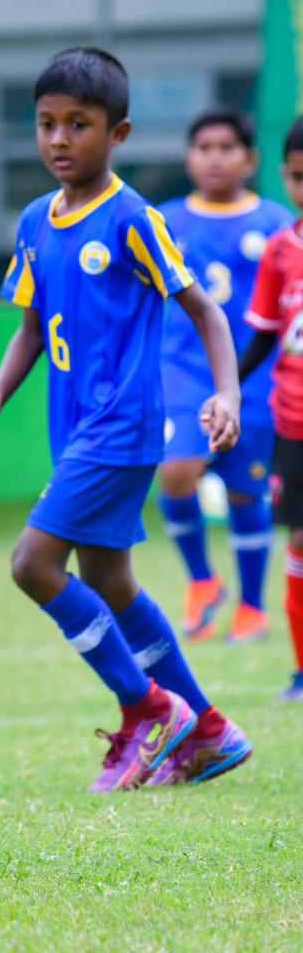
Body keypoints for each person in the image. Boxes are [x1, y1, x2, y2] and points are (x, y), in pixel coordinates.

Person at [0, 47, 252, 791]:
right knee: (110, 580)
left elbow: (205, 310)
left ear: (116, 134)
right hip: (74, 430)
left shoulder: (131, 219)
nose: (59, 140)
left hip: (121, 427)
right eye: (47, 124)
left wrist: (227, 392)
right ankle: (209, 731)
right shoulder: (34, 219)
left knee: (33, 564)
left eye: (78, 125)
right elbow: (30, 326)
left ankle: (148, 709)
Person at [155, 107, 292, 644]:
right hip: (184, 374)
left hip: (255, 378)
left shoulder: (275, 222)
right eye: (204, 147)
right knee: (176, 470)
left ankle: (252, 609)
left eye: (227, 148)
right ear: (189, 157)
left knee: (245, 491)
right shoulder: (163, 220)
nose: (215, 158)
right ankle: (202, 580)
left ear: (250, 159)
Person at [236, 115, 303, 702]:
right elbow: (262, 334)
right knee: (300, 543)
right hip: (294, 421)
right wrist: (226, 386)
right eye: (301, 177)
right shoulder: (281, 250)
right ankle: (302, 670)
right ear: (286, 176)